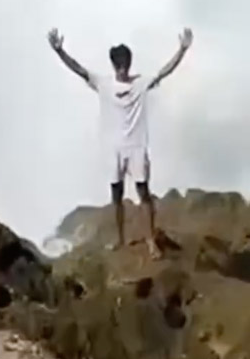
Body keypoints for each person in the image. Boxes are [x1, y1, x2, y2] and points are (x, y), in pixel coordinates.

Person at [47, 26, 194, 257]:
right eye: (119, 65)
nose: (123, 69)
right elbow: (79, 70)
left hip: (136, 146)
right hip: (113, 148)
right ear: (114, 65)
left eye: (125, 64)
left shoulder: (140, 83)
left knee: (143, 193)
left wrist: (182, 50)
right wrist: (59, 51)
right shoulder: (103, 84)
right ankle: (120, 239)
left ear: (130, 63)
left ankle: (150, 241)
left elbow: (165, 71)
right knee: (116, 194)